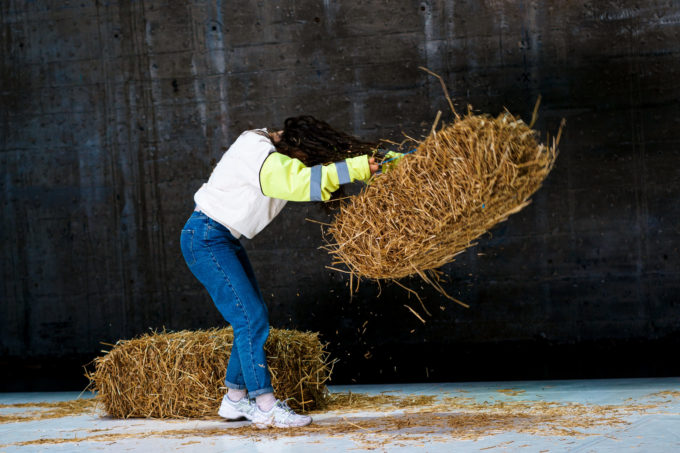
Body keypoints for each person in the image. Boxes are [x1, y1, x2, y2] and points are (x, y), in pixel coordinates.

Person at [179, 116, 382, 428]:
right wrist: (355, 169)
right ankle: (265, 406)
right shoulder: (261, 155)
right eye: (305, 158)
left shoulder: (265, 150)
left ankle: (234, 400)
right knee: (250, 319)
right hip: (206, 238)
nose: (304, 165)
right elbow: (302, 182)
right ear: (296, 147)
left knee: (251, 316)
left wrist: (367, 166)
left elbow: (310, 179)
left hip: (219, 237)